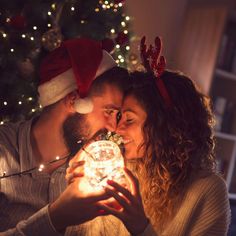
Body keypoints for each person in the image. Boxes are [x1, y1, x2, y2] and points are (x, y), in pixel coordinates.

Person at [67, 37, 231, 236]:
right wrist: (78, 195)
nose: (117, 129)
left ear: (164, 126)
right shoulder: (121, 173)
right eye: (119, 117)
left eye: (129, 120)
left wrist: (140, 227)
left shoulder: (207, 191)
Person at [0, 37, 129, 235]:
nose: (114, 127)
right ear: (74, 100)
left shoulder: (95, 170)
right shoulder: (4, 150)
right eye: (109, 112)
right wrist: (56, 217)